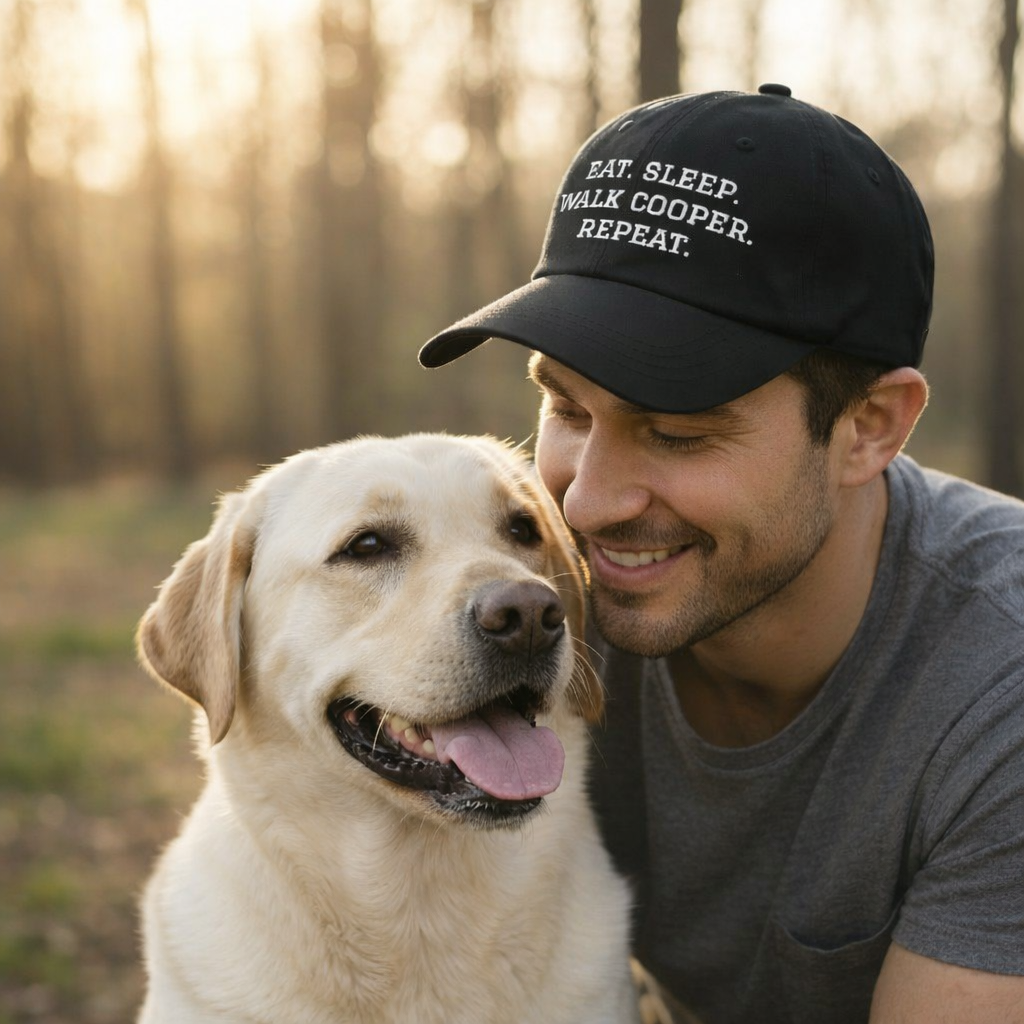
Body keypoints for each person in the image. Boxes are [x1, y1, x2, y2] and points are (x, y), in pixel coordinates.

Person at [417, 84, 1024, 1024]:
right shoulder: (525, 605)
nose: (586, 500)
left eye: (679, 433)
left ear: (869, 427)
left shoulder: (998, 685)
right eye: (568, 410)